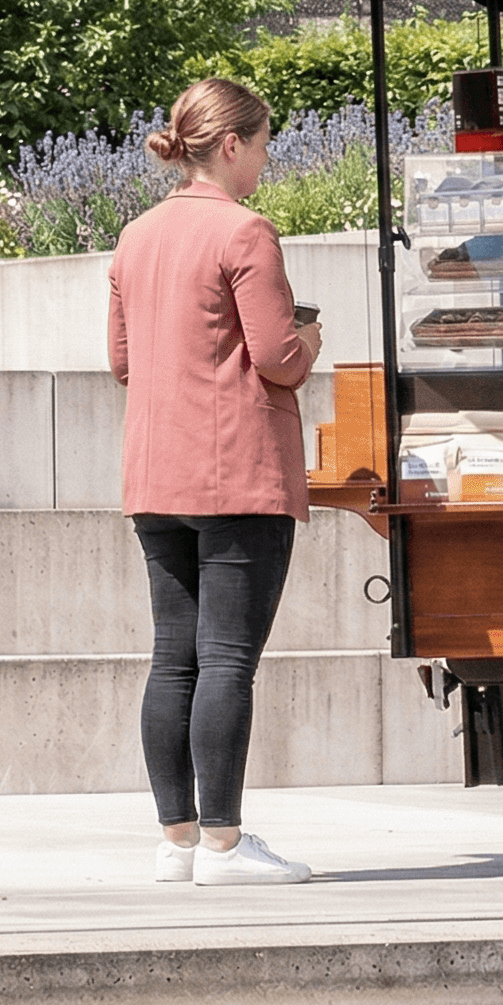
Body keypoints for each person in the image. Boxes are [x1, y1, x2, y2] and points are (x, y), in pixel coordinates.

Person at [108, 77, 323, 887]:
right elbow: (275, 357)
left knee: (174, 658)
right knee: (228, 660)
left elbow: (122, 363)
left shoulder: (136, 235)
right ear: (230, 145)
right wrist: (312, 336)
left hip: (156, 473)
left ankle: (178, 841)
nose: (265, 160)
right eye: (263, 143)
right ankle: (227, 846)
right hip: (237, 472)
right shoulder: (246, 232)